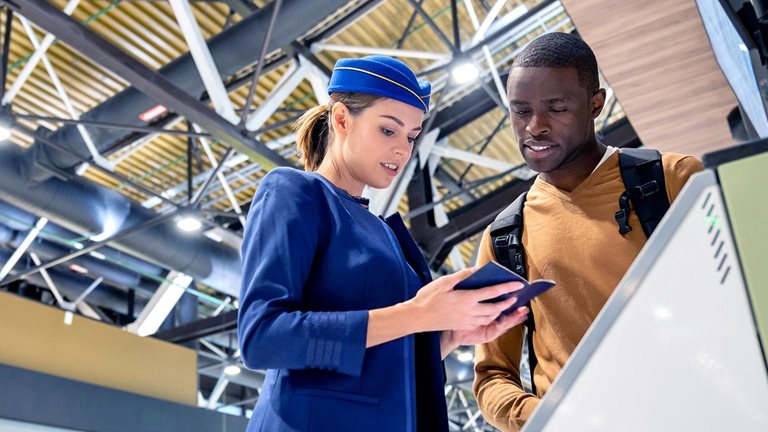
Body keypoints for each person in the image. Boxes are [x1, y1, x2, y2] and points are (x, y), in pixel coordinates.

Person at [237, 55, 531, 432]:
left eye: (411, 136)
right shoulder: (295, 191)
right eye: (388, 131)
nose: (402, 150)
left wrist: (445, 336)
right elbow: (263, 338)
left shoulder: (385, 232)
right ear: (341, 119)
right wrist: (419, 314)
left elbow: (378, 357)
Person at [472, 32, 704, 431]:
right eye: (520, 111)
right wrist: (549, 418)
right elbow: (493, 375)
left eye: (556, 108)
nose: (535, 127)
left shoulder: (674, 180)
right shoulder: (504, 239)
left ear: (596, 104)